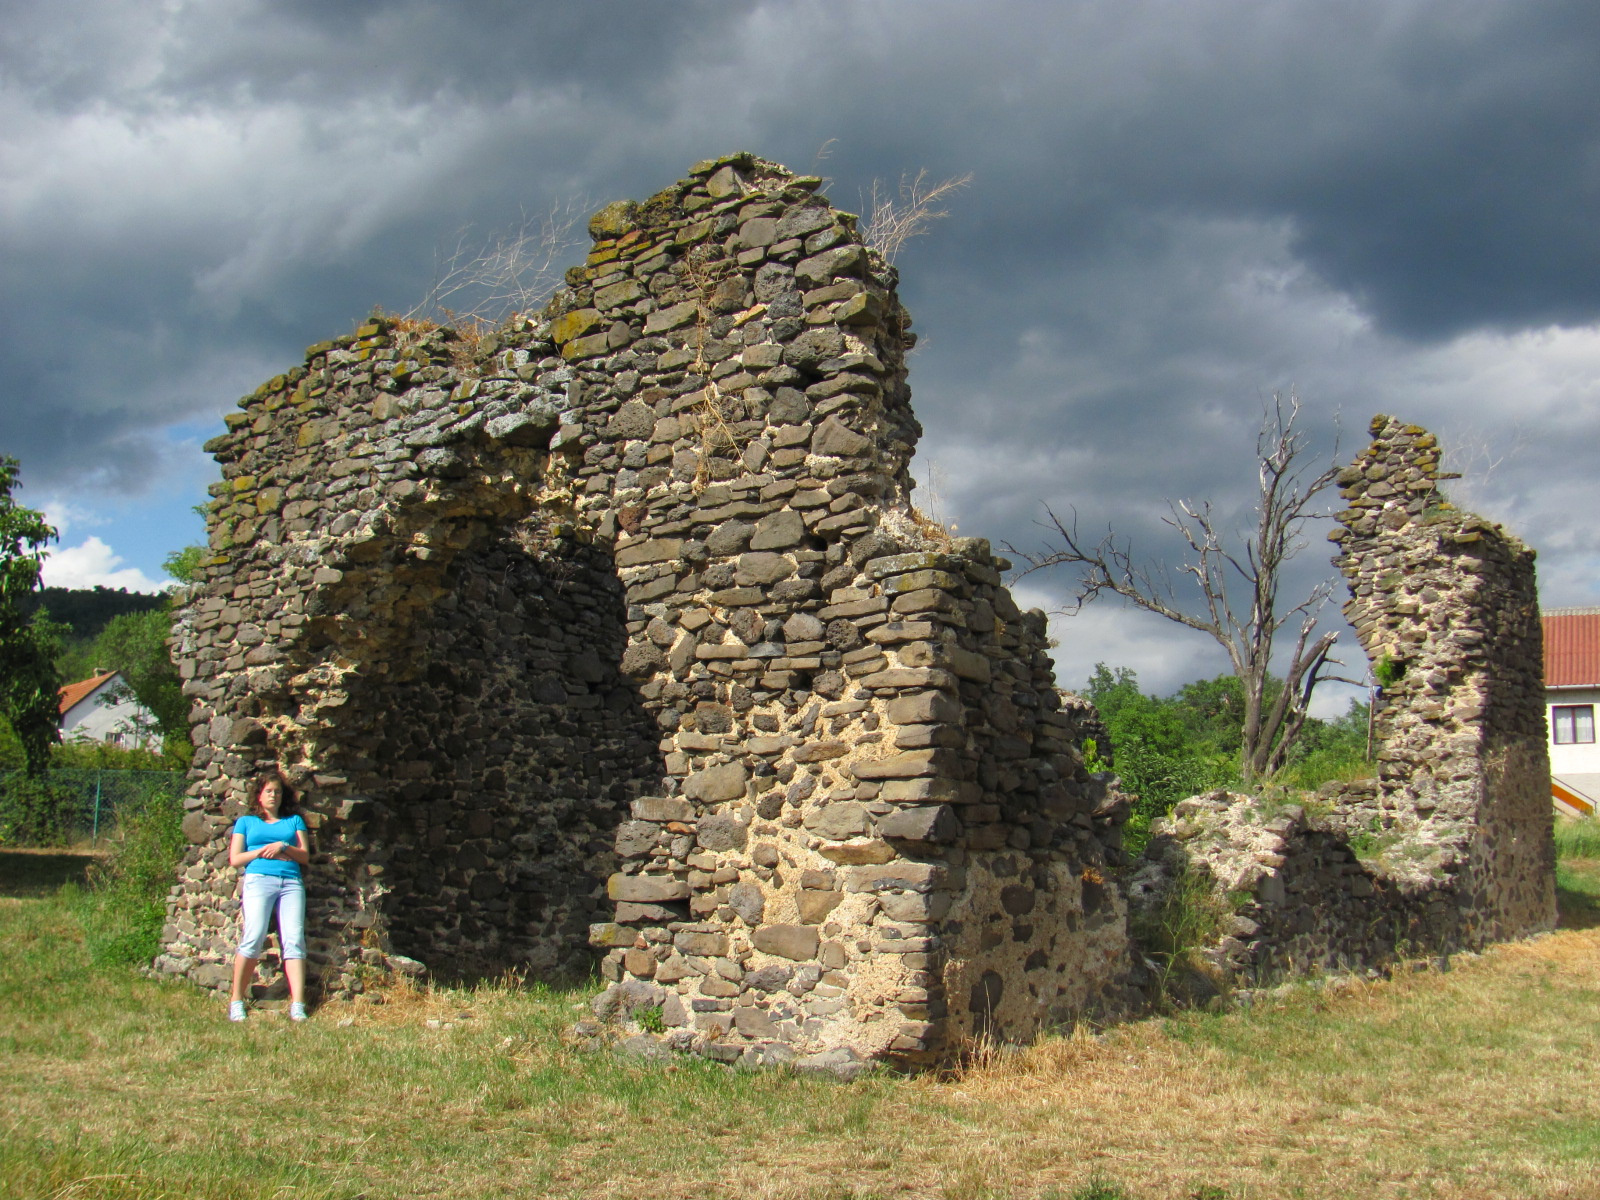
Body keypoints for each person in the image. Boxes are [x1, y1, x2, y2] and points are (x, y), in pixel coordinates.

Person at [228, 770, 310, 1022]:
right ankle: (236, 1001)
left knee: (294, 939)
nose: (273, 795)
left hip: (290, 882)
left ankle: (298, 1004)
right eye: (268, 791)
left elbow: (305, 856)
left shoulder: (294, 821)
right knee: (253, 936)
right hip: (259, 879)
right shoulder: (246, 822)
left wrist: (284, 847)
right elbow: (235, 859)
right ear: (259, 795)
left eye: (277, 791)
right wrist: (263, 851)